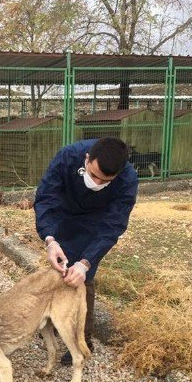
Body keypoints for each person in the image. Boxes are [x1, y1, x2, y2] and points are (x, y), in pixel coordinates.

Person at [34, 137, 138, 364]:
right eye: (92, 175)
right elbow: (46, 197)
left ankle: (83, 339)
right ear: (87, 159)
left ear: (118, 175)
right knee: (60, 267)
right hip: (63, 213)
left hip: (96, 221)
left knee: (83, 277)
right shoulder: (68, 157)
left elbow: (113, 225)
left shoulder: (128, 179)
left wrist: (86, 262)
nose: (97, 182)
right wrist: (50, 239)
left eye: (105, 180)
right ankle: (52, 321)